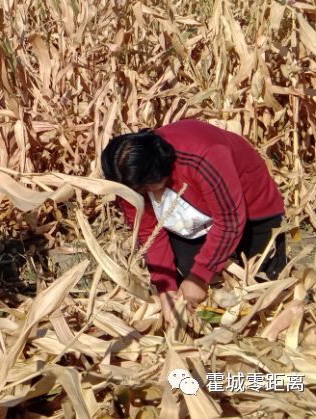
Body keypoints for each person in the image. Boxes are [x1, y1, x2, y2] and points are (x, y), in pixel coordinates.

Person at [100, 120, 286, 325]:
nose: (145, 194)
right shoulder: (127, 181)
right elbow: (149, 233)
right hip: (194, 217)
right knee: (190, 283)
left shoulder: (203, 155)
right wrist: (166, 288)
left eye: (147, 188)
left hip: (251, 206)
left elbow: (230, 220)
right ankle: (219, 322)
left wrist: (199, 277)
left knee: (267, 285)